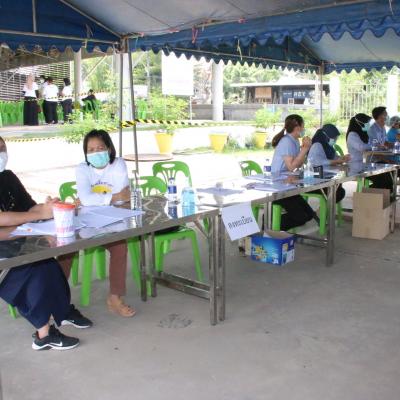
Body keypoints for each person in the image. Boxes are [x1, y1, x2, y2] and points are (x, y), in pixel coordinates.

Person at [0, 136, 92, 351]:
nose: (1, 153)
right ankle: (44, 335)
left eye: (3, 148)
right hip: (7, 248)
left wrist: (46, 208)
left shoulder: (8, 177)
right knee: (30, 269)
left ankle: (62, 310)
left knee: (47, 262)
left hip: (15, 238)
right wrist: (35, 217)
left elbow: (29, 208)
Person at [58, 130, 135, 318]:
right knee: (66, 248)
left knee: (120, 246)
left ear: (109, 148)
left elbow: (123, 197)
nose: (96, 153)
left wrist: (93, 199)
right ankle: (54, 298)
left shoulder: (118, 164)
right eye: (90, 150)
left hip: (113, 219)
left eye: (100, 148)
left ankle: (115, 298)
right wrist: (112, 197)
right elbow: (89, 198)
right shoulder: (82, 168)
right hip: (86, 222)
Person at [270, 114, 317, 231]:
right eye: (303, 126)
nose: (304, 129)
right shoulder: (286, 141)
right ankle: (270, 225)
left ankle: (275, 224)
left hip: (288, 183)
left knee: (309, 214)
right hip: (279, 186)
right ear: (298, 128)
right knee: (301, 217)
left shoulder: (295, 140)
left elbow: (298, 164)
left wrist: (304, 149)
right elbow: (291, 167)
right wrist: (305, 149)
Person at [346, 113, 393, 192]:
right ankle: (367, 195)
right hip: (357, 166)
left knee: (388, 176)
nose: (368, 125)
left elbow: (372, 144)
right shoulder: (352, 135)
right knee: (382, 180)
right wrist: (374, 145)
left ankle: (385, 196)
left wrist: (376, 145)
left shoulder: (364, 134)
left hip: (367, 164)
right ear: (360, 124)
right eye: (367, 123)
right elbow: (362, 147)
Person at [308, 124, 350, 203]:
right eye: (334, 138)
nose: (335, 140)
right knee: (338, 192)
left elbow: (334, 157)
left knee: (338, 188)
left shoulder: (327, 146)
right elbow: (317, 162)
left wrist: (342, 158)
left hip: (326, 176)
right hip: (316, 180)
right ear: (326, 136)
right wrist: (336, 162)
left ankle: (326, 208)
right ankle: (324, 209)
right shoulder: (316, 145)